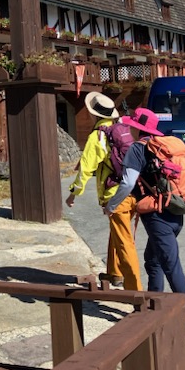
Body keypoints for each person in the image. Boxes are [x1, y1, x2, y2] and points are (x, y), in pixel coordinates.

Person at [106, 107, 185, 339]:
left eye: (132, 125)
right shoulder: (168, 148)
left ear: (136, 127)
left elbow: (127, 183)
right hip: (176, 213)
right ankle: (153, 308)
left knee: (170, 265)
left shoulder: (138, 149)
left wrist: (111, 206)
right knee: (153, 261)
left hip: (157, 217)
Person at [66, 92, 142, 291]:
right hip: (134, 190)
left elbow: (86, 169)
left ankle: (135, 291)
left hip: (116, 195)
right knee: (118, 234)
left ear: (94, 115)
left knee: (125, 242)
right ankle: (114, 273)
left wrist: (74, 193)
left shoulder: (98, 135)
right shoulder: (123, 129)